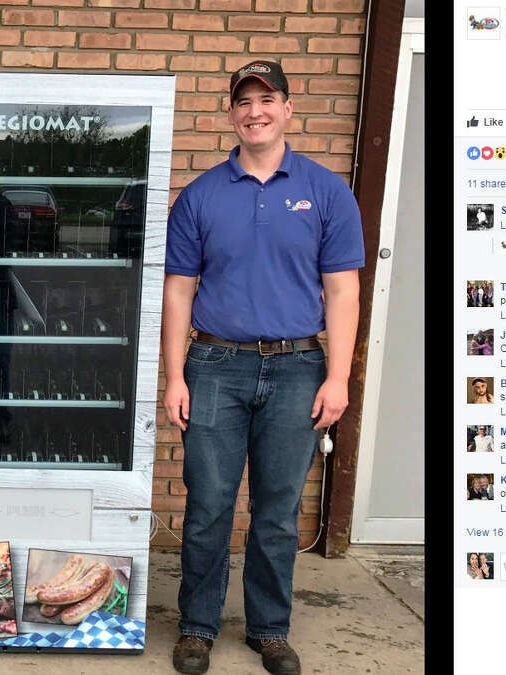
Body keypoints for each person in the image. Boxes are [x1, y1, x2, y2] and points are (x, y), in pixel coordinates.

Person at [161, 59, 365, 675]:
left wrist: (338, 377)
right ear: (231, 113)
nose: (255, 110)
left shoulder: (328, 192)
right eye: (244, 101)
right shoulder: (200, 195)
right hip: (215, 363)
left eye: (267, 99)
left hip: (299, 366)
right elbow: (178, 291)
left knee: (277, 512)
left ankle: (268, 629)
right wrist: (175, 376)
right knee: (208, 506)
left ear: (287, 109)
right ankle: (197, 625)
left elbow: (343, 292)